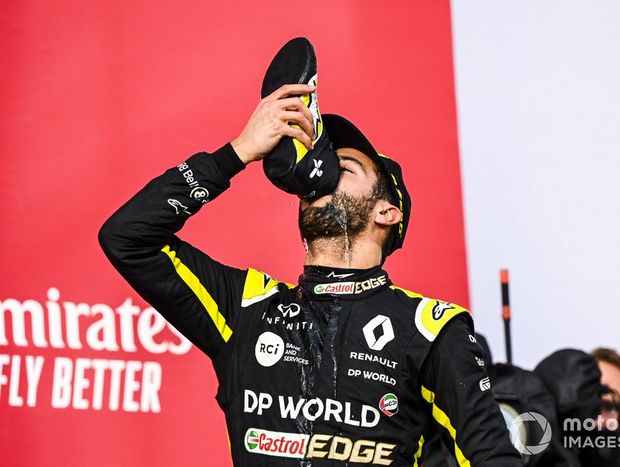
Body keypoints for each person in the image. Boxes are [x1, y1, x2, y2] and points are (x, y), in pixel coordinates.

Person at [99, 83, 522, 466]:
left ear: (386, 212)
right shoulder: (247, 308)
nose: (322, 175)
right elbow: (127, 238)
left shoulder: (431, 330)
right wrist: (238, 152)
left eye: (343, 168)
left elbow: (493, 458)